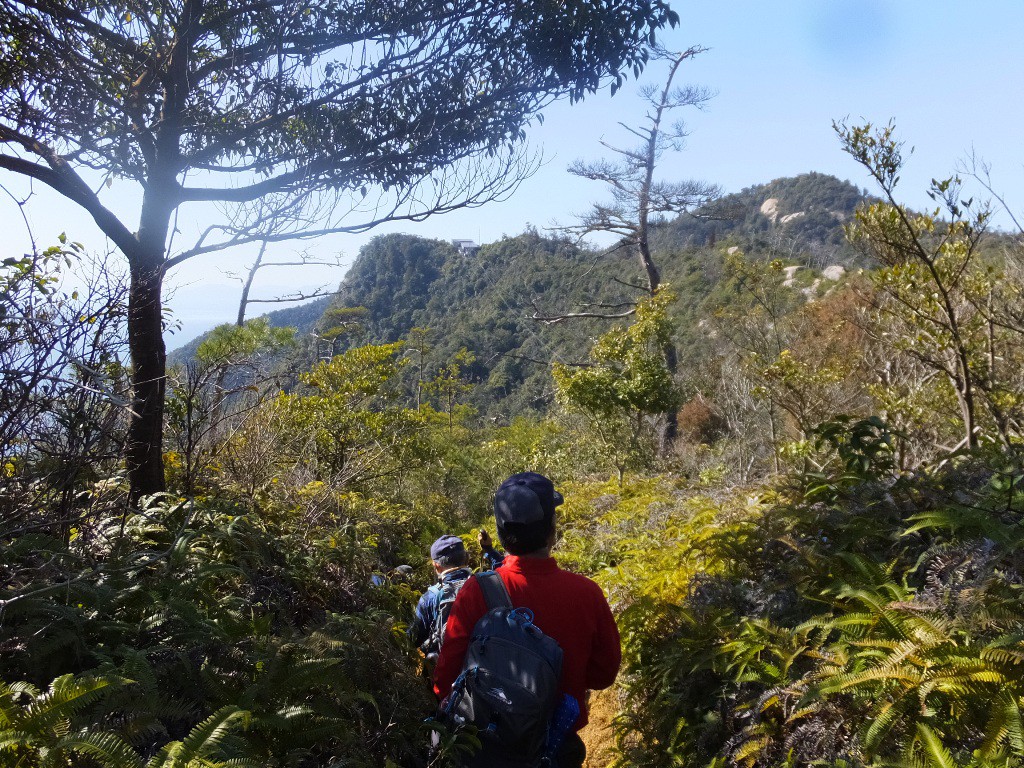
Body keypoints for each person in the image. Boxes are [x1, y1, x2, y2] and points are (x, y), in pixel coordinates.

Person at [434, 472, 622, 768]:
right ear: (552, 530)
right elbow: (603, 675)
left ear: (499, 532)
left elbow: (446, 677)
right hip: (556, 749)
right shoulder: (586, 593)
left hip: (488, 747)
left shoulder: (476, 591)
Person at [409, 535, 472, 661]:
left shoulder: (430, 597)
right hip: (481, 665)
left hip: (446, 668)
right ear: (466, 559)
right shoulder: (484, 585)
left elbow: (413, 638)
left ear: (437, 566)